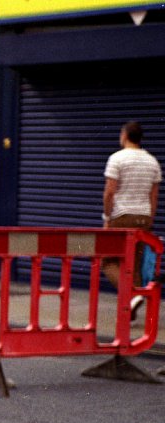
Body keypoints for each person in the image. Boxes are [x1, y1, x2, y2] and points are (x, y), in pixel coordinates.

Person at [102, 120, 161, 321]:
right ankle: (129, 310)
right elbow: (154, 196)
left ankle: (132, 295)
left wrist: (107, 218)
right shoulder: (152, 161)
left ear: (125, 135)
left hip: (122, 216)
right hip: (143, 218)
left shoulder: (117, 159)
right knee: (133, 265)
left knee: (108, 261)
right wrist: (149, 219)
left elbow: (110, 192)